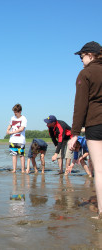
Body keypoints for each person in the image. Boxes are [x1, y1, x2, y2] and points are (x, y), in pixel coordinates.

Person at [68, 41, 102, 218]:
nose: (81, 60)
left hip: (96, 123)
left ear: (90, 55)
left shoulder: (86, 73)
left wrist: (74, 134)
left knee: (100, 169)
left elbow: (80, 105)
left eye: (82, 57)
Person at [6, 104, 27, 173]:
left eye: (16, 112)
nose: (15, 113)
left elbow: (21, 129)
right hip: (13, 140)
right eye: (14, 112)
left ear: (20, 111)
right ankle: (14, 169)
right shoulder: (12, 118)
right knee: (14, 155)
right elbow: (10, 125)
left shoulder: (23, 118)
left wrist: (12, 132)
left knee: (21, 155)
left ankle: (23, 170)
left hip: (20, 140)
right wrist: (8, 129)